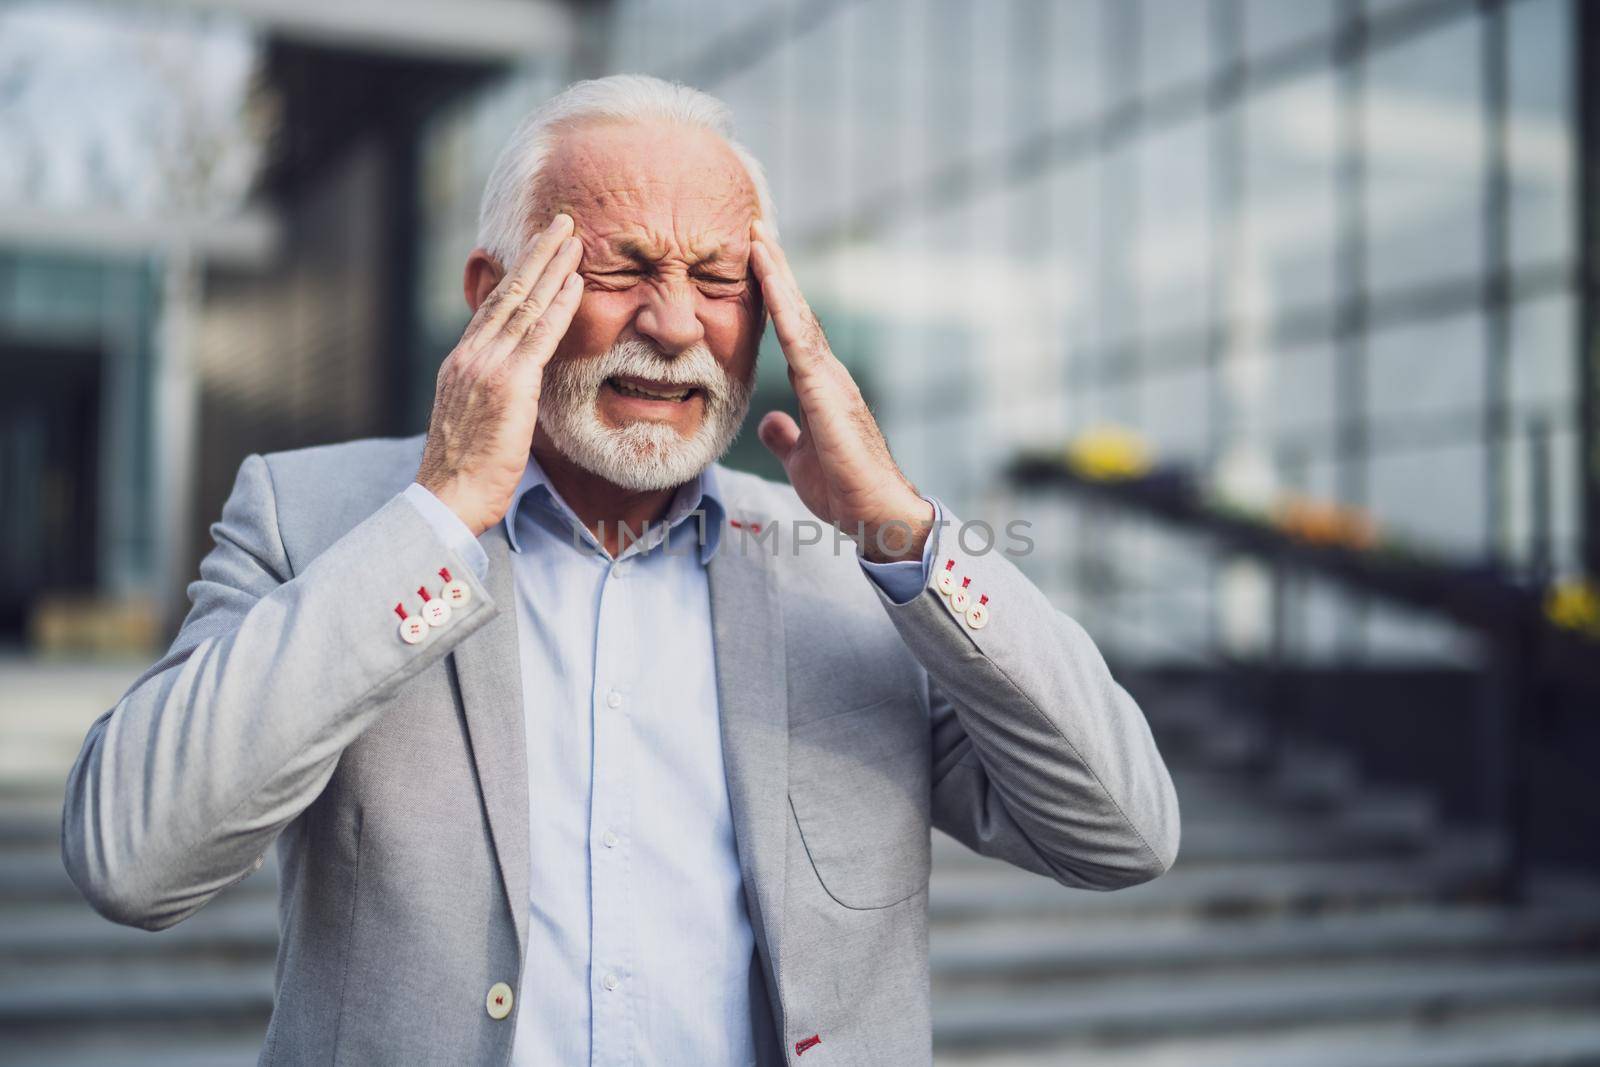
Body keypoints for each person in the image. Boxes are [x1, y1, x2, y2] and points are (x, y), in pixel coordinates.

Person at [61, 74, 1179, 1066]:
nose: (675, 322)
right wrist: (440, 513)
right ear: (492, 288)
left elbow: (1124, 831)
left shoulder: (855, 571)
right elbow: (135, 858)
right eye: (622, 266)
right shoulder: (312, 517)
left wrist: (900, 528)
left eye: (720, 276)